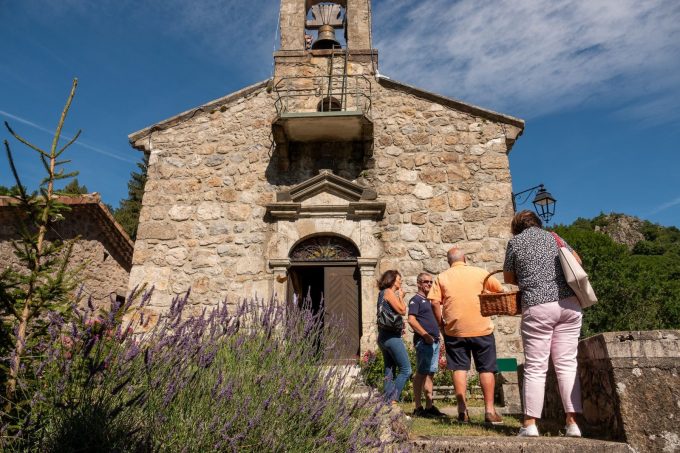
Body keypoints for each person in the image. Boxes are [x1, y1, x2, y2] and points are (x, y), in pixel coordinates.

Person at [503, 210, 583, 438]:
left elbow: (508, 278)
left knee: (536, 367)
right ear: (537, 223)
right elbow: (577, 261)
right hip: (569, 304)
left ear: (517, 227)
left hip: (538, 305)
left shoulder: (515, 243)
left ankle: (529, 425)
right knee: (567, 365)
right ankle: (572, 423)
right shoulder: (555, 237)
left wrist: (528, 276)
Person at [428, 247, 504, 425]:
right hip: (482, 328)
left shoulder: (442, 277)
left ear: (449, 261)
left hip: (455, 330)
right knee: (486, 368)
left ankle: (462, 411)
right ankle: (490, 411)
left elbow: (434, 302)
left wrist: (441, 323)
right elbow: (500, 290)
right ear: (466, 258)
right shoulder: (480, 273)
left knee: (459, 368)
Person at [407, 272, 444, 418]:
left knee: (430, 374)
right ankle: (418, 407)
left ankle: (429, 406)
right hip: (425, 342)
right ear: (418, 283)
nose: (429, 284)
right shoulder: (415, 300)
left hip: (434, 341)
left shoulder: (430, 301)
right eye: (426, 282)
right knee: (421, 373)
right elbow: (411, 320)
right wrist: (425, 335)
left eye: (431, 282)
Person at [376, 269, 412, 404]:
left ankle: (386, 401)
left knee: (389, 370)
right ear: (392, 280)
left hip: (383, 336)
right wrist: (401, 297)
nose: (401, 281)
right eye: (399, 279)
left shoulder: (382, 293)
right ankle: (392, 399)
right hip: (391, 337)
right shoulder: (388, 292)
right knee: (406, 369)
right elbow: (402, 310)